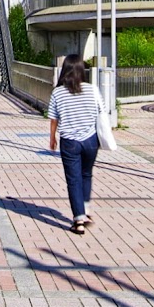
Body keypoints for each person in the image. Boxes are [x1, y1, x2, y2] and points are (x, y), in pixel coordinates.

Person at [46, 54, 102, 235]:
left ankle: (79, 219)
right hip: (91, 140)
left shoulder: (58, 92)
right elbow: (100, 113)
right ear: (81, 70)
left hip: (69, 141)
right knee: (86, 175)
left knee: (73, 180)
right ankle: (85, 211)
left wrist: (52, 138)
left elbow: (54, 118)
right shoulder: (92, 90)